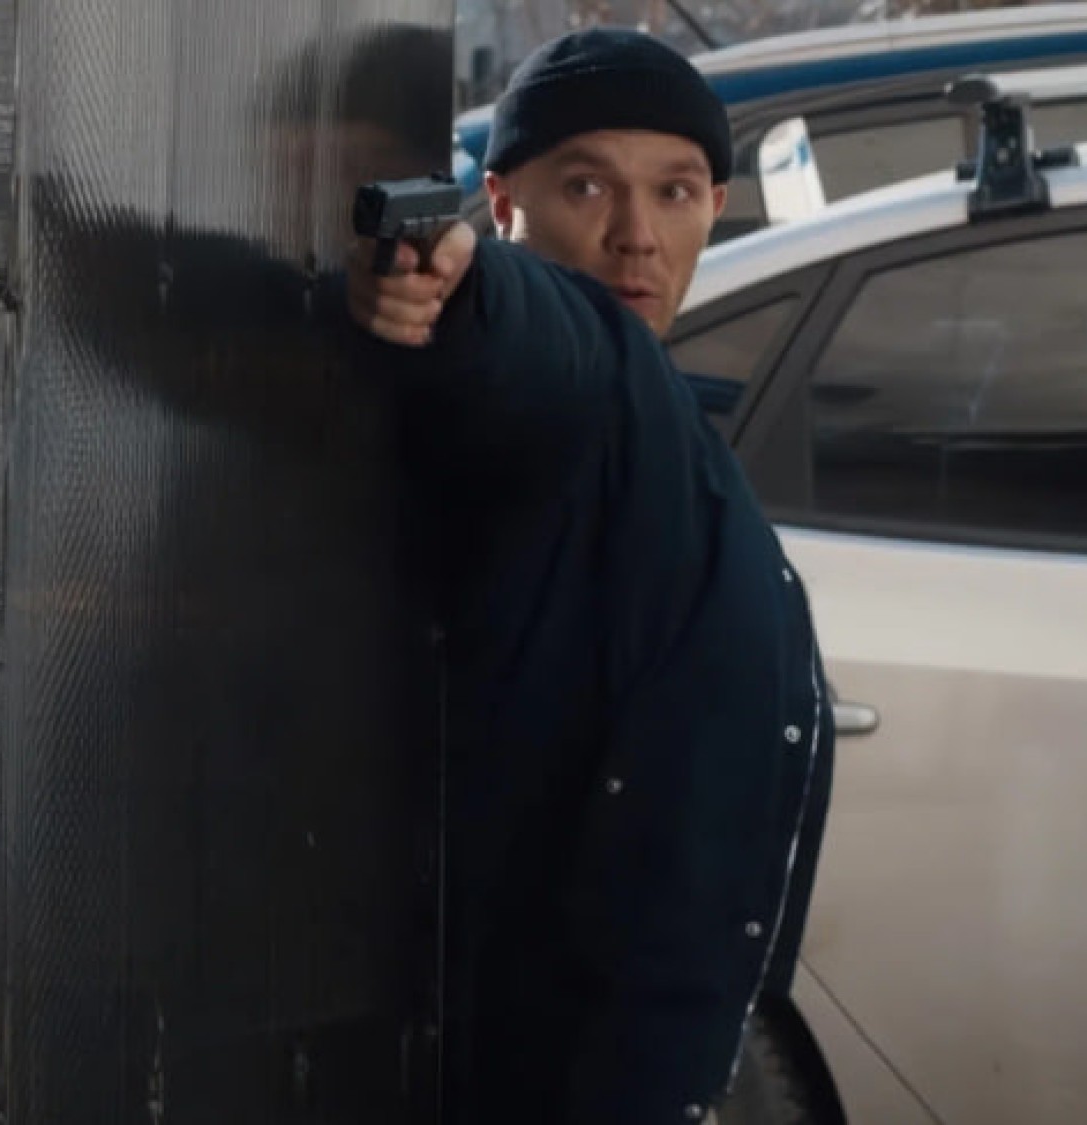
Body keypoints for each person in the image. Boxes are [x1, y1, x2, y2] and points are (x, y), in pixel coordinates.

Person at [344, 28, 835, 1125]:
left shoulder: (654, 409)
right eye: (587, 187)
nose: (636, 236)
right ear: (504, 201)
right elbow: (535, 336)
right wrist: (457, 285)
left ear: (717, 204)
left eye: (674, 192)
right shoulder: (588, 373)